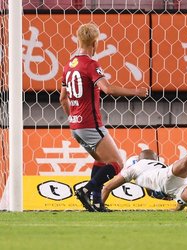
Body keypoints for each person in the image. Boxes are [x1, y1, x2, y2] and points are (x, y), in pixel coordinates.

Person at [59, 23, 148, 212]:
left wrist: (73, 118)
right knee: (117, 164)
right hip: (91, 124)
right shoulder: (90, 64)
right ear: (95, 43)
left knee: (101, 162)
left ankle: (97, 201)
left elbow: (62, 98)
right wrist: (137, 92)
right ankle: (86, 190)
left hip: (76, 126)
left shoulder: (68, 66)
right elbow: (107, 88)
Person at [101, 126, 187, 212]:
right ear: (155, 159)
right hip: (174, 180)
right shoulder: (158, 165)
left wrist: (99, 206)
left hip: (163, 181)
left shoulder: (135, 167)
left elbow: (107, 188)